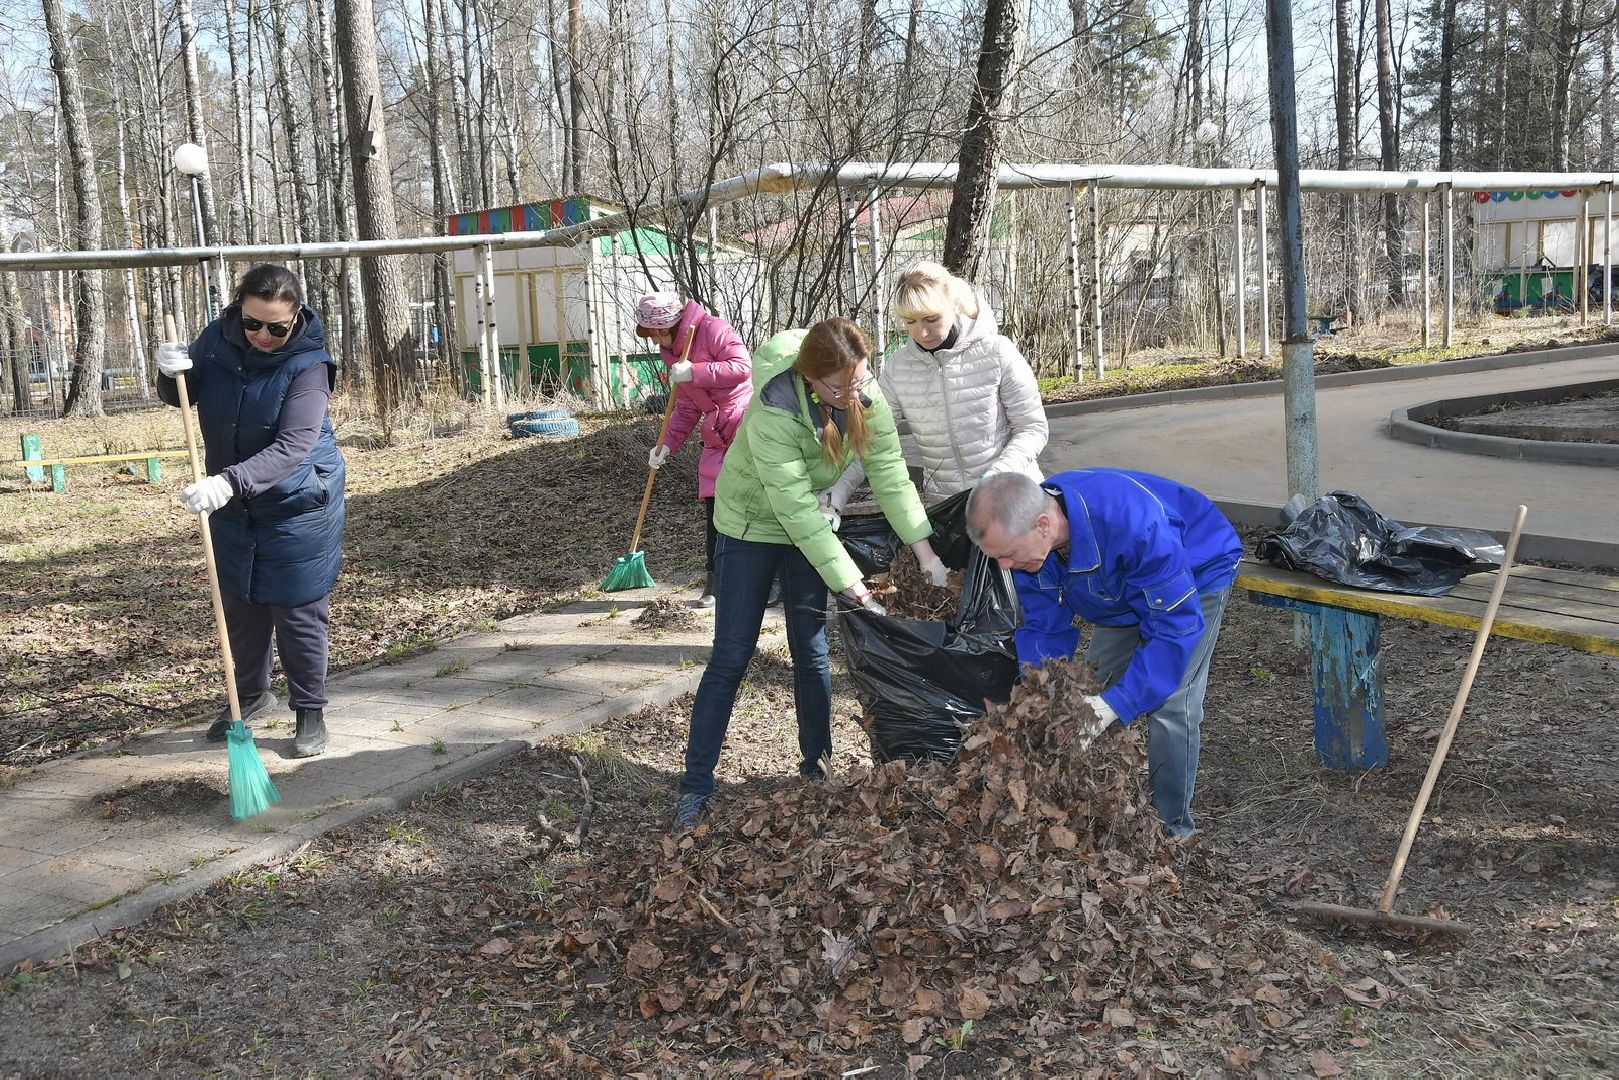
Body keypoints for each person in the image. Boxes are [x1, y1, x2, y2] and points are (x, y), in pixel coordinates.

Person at [675, 318, 949, 828]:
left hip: (808, 528)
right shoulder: (774, 410)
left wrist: (926, 552)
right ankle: (695, 786)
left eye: (860, 381)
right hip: (750, 526)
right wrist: (850, 582)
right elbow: (795, 510)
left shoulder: (864, 396)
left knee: (813, 649)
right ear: (809, 376)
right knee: (732, 655)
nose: (851, 394)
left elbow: (889, 470)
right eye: (838, 387)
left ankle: (816, 769)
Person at [965, 469, 1243, 837]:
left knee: (1171, 702)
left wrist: (1116, 704)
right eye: (997, 558)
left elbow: (1175, 628)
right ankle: (1100, 799)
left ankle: (1171, 829)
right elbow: (1043, 625)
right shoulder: (1027, 542)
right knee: (1092, 688)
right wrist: (1040, 689)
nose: (1004, 567)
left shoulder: (1134, 524)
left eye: (1008, 556)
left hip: (1194, 570)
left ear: (1044, 525)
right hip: (1117, 589)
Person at [156, 264, 345, 758]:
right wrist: (169, 370)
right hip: (231, 497)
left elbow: (294, 445)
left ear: (296, 319)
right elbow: (184, 394)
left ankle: (309, 708)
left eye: (276, 328)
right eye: (252, 323)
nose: (262, 335)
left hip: (298, 498)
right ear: (239, 309)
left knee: (297, 605)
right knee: (239, 600)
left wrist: (228, 482)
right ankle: (252, 694)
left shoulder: (309, 365)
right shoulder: (215, 340)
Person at [825, 260, 1047, 519]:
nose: (923, 332)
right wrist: (837, 494)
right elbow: (870, 439)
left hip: (1014, 498)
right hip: (948, 510)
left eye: (932, 318)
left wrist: (998, 475)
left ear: (953, 305)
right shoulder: (899, 369)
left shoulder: (997, 352)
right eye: (911, 322)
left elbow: (1032, 428)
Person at [637, 292, 753, 608]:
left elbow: (742, 367)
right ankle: (716, 582)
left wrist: (695, 371)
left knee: (750, 504)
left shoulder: (713, 329)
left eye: (658, 331)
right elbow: (688, 406)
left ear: (670, 323)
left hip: (745, 423)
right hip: (715, 432)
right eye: (651, 333)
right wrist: (666, 445)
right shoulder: (670, 353)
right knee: (713, 503)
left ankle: (764, 582)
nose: (655, 338)